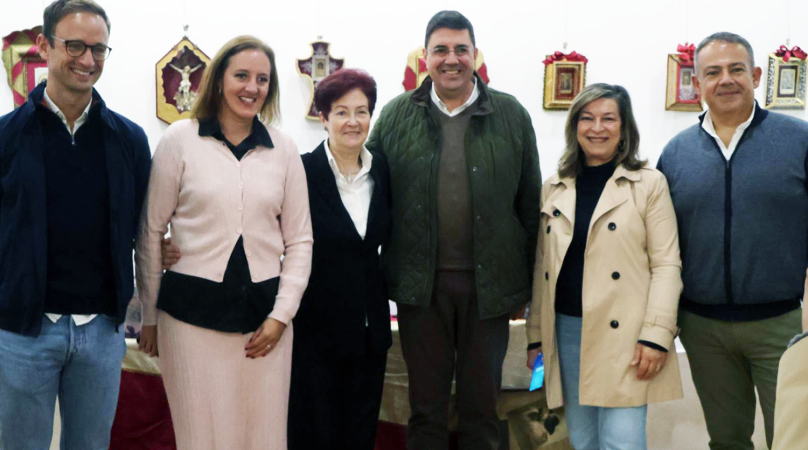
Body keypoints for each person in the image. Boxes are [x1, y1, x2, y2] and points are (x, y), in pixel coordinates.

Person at [365, 10, 541, 450]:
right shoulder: (395, 116)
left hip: (490, 288)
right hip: (420, 289)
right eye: (440, 50)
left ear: (475, 55)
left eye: (461, 49)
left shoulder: (511, 114)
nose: (451, 59)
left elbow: (530, 204)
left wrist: (527, 288)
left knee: (482, 408)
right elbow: (369, 195)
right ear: (424, 57)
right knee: (426, 409)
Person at [135, 35, 312, 450]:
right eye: (242, 76)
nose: (252, 87)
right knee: (201, 439)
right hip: (189, 318)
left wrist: (281, 316)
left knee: (264, 439)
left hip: (265, 322)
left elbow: (301, 241)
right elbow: (150, 230)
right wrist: (150, 315)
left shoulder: (284, 150)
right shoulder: (179, 139)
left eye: (263, 79)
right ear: (218, 80)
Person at [0, 1, 151, 448]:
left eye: (99, 49)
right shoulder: (7, 137)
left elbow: (144, 226)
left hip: (101, 332)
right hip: (23, 331)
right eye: (75, 46)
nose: (88, 59)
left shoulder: (129, 139)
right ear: (44, 45)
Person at [657, 31, 808, 450]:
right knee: (726, 440)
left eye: (736, 69)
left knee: (794, 440)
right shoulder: (676, 153)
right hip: (703, 329)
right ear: (698, 83)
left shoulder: (799, 141)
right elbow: (662, 244)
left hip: (782, 326)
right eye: (713, 72)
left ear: (755, 76)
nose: (725, 79)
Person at [526, 83, 683, 450]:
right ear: (575, 126)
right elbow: (542, 267)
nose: (597, 128)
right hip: (567, 331)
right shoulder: (554, 187)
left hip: (627, 334)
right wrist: (536, 337)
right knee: (583, 440)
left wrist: (656, 335)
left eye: (608, 119)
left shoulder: (649, 184)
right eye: (587, 118)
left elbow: (667, 264)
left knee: (621, 441)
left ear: (624, 128)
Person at [287, 68, 392, 450]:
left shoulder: (383, 171)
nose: (353, 121)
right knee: (315, 434)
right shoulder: (300, 171)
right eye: (342, 112)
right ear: (323, 117)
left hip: (370, 332)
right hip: (315, 330)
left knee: (360, 435)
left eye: (361, 112)